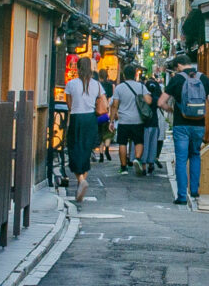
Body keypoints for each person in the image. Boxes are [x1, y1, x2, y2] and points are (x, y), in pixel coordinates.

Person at [163, 57, 209, 206]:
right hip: (199, 125)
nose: (175, 70)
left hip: (181, 125)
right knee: (195, 155)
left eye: (175, 68)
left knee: (180, 159)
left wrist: (172, 109)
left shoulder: (176, 80)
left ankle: (181, 196)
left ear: (179, 65)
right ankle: (194, 190)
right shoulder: (204, 79)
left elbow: (161, 102)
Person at [63, 67, 107, 204]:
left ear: (78, 69)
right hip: (91, 119)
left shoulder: (71, 84)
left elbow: (69, 105)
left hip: (77, 119)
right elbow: (104, 103)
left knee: (74, 150)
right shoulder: (97, 85)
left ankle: (81, 180)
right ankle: (81, 183)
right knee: (86, 151)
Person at [109, 67, 149, 175]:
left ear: (124, 75)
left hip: (123, 120)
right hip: (138, 120)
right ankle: (137, 158)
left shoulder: (119, 88)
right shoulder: (141, 86)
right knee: (139, 141)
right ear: (135, 75)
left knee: (122, 143)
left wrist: (111, 121)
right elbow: (149, 100)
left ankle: (123, 167)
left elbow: (115, 105)